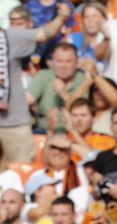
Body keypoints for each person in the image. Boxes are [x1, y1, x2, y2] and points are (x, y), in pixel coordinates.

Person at [0, 4, 70, 163]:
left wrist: (61, 18)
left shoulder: (9, 37)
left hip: (14, 123)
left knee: (23, 174)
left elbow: (43, 34)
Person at [25, 43, 87, 133]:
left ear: (77, 63)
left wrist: (64, 94)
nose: (63, 65)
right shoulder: (44, 76)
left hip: (75, 132)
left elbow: (82, 111)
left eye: (68, 61)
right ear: (52, 62)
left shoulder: (83, 79)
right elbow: (26, 99)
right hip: (44, 131)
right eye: (59, 61)